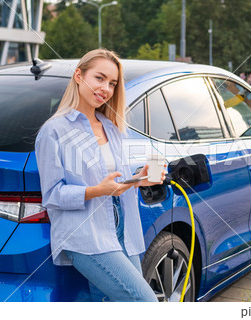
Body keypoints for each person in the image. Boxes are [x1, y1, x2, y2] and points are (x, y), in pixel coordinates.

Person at [35, 49, 164, 302]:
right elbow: (52, 194)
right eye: (99, 78)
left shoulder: (112, 127)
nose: (106, 88)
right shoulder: (54, 131)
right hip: (86, 236)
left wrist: (139, 179)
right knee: (145, 303)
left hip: (123, 230)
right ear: (78, 76)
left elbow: (115, 181)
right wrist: (97, 191)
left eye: (112, 83)